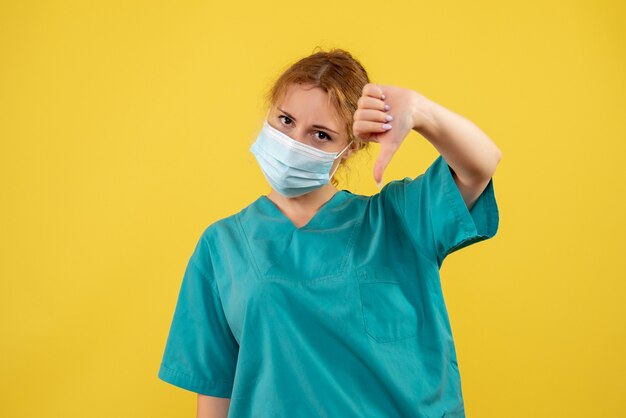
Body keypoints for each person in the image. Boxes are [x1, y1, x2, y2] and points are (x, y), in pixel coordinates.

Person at [157, 48, 501, 418]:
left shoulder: (397, 221)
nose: (295, 143)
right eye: (286, 121)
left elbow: (481, 165)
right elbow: (216, 392)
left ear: (349, 150)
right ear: (268, 114)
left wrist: (420, 112)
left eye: (321, 135)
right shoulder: (221, 247)